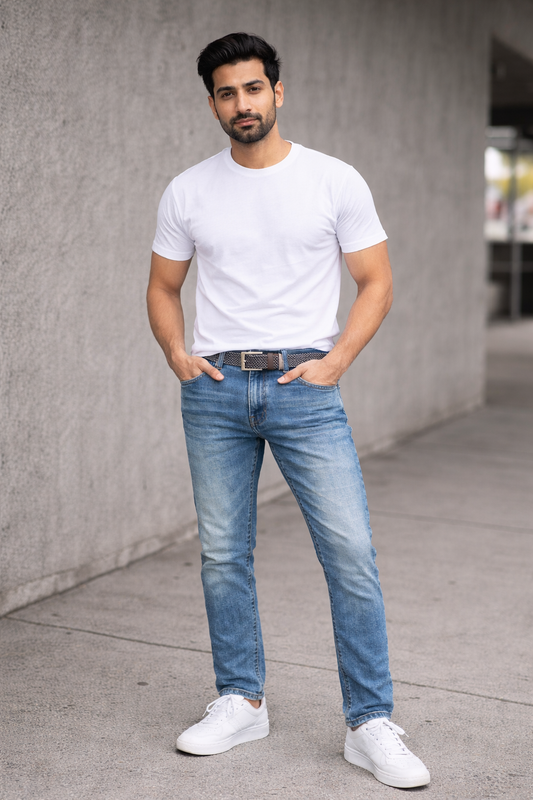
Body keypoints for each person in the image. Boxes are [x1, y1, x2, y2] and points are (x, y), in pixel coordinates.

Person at [147, 32, 430, 789]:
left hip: (303, 390)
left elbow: (375, 281)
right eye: (225, 92)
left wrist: (334, 362)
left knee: (349, 556)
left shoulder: (332, 181)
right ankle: (241, 700)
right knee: (221, 557)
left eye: (252, 88)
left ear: (278, 92)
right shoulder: (187, 190)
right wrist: (179, 357)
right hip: (214, 393)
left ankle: (369, 722)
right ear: (212, 102)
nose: (241, 104)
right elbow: (163, 286)